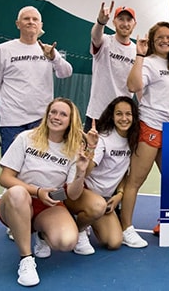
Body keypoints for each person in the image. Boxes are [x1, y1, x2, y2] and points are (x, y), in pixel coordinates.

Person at [0, 97, 92, 286]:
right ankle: (26, 259)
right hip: (16, 202)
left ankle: (41, 234)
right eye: (53, 112)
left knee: (66, 242)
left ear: (70, 121)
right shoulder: (26, 138)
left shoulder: (73, 150)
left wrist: (81, 171)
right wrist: (37, 191)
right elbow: (5, 178)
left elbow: (72, 195)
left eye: (63, 114)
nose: (56, 117)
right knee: (17, 192)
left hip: (48, 205)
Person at [120, 21, 169, 247]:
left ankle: (168, 221)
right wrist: (139, 55)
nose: (165, 40)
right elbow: (132, 86)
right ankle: (126, 228)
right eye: (160, 37)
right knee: (135, 181)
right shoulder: (148, 62)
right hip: (149, 127)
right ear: (152, 39)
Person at [0, 6, 73, 155]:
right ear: (18, 23)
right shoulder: (3, 49)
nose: (31, 22)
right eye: (26, 19)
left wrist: (54, 58)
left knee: (39, 170)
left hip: (42, 122)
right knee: (11, 170)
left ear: (41, 25)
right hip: (12, 123)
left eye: (35, 19)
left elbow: (66, 72)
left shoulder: (48, 50)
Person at [65, 96, 140, 254]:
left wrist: (119, 194)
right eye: (119, 114)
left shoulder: (133, 140)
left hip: (104, 199)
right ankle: (79, 229)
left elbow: (125, 173)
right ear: (112, 116)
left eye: (128, 114)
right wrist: (91, 148)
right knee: (96, 206)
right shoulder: (103, 139)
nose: (124, 118)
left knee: (114, 242)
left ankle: (88, 217)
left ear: (134, 117)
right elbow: (87, 172)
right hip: (82, 192)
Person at [84, 2, 137, 132]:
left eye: (129, 20)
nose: (125, 23)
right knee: (88, 152)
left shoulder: (137, 51)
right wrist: (100, 22)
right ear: (114, 22)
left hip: (122, 118)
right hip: (97, 115)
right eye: (121, 19)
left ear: (134, 24)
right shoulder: (105, 41)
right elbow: (95, 36)